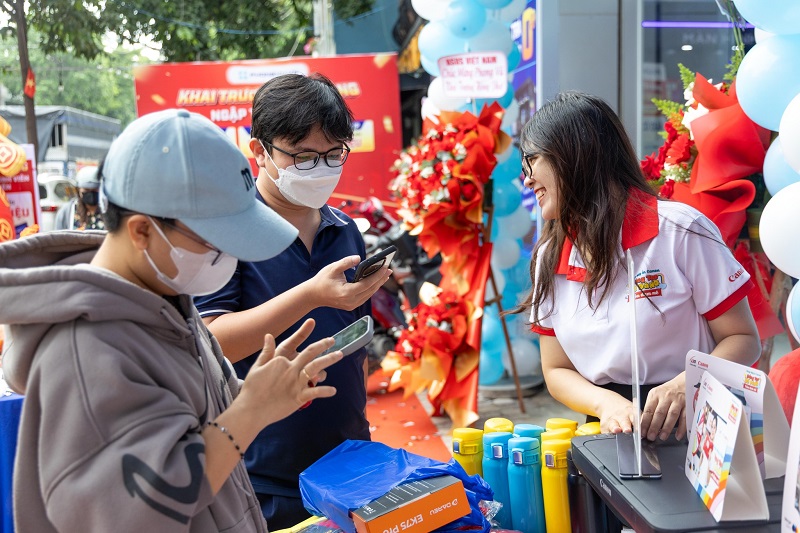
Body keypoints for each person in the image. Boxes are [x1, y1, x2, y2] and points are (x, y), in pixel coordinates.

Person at [0, 109, 345, 532]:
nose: (227, 257)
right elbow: (140, 511)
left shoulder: (162, 299)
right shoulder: (87, 350)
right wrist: (251, 410)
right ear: (143, 230)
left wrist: (256, 392)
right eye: (213, 241)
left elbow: (185, 419)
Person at [194, 73, 389, 529]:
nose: (320, 168)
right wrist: (310, 296)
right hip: (262, 473)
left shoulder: (345, 229)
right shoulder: (228, 234)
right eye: (302, 157)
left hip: (348, 462)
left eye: (333, 153)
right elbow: (213, 341)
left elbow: (354, 343)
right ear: (258, 150)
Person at [515, 91, 761, 442]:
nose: (527, 179)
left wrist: (687, 381)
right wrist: (605, 405)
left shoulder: (680, 231)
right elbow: (555, 370)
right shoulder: (549, 257)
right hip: (607, 428)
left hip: (697, 421)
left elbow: (743, 338)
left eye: (532, 161)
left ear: (575, 155)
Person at [55, 165, 105, 230]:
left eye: (95, 190)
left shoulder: (108, 210)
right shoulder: (67, 212)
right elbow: (59, 237)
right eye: (86, 190)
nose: (91, 193)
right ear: (78, 190)